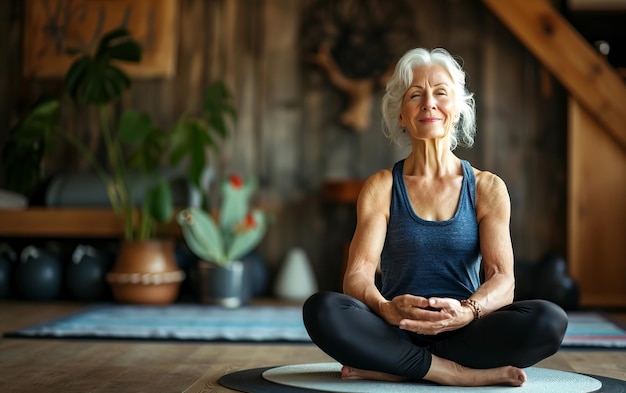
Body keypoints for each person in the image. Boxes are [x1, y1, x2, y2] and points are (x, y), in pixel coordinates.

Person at [303, 47, 568, 387]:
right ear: (401, 114)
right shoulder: (382, 187)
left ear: (457, 109)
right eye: (416, 94)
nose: (429, 103)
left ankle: (400, 368)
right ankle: (451, 372)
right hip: (396, 330)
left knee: (549, 321)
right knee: (322, 310)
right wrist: (385, 309)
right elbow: (356, 275)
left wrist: (467, 312)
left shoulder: (486, 188)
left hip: (465, 332)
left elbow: (503, 280)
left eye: (441, 93)